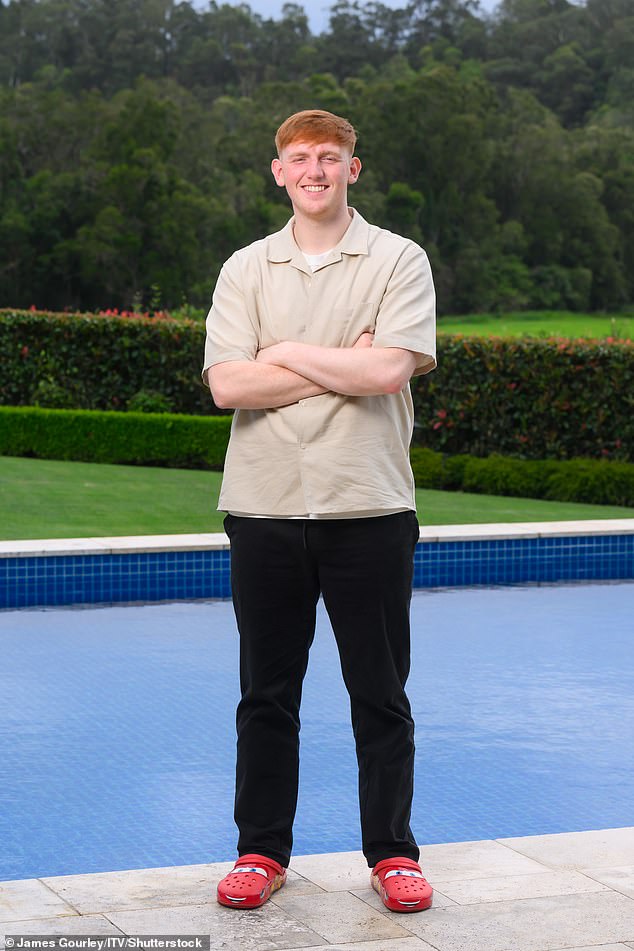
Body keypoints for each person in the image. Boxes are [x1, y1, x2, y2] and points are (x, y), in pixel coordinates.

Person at [203, 109, 437, 914]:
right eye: (299, 158)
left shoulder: (399, 260)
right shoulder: (245, 269)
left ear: (353, 170)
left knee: (380, 691)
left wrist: (284, 355)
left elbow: (390, 372)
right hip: (263, 508)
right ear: (278, 172)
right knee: (268, 693)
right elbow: (228, 386)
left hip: (367, 503)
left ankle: (393, 855)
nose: (314, 170)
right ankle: (261, 850)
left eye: (328, 158)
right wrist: (347, 359)